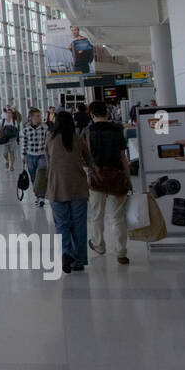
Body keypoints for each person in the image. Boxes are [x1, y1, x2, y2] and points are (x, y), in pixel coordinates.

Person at [46, 110, 93, 273]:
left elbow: (48, 161)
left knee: (61, 224)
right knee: (79, 225)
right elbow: (89, 161)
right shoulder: (78, 140)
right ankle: (79, 260)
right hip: (78, 188)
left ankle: (66, 253)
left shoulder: (50, 140)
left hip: (57, 188)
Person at [86, 100, 132, 265]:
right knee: (118, 216)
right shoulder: (117, 130)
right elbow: (123, 157)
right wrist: (128, 178)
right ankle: (121, 252)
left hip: (97, 179)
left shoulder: (88, 132)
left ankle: (99, 245)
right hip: (116, 176)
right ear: (106, 113)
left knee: (97, 215)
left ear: (92, 114)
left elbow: (87, 158)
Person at [21, 108, 48, 207]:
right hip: (30, 155)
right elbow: (24, 143)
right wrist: (23, 156)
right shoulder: (26, 129)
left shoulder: (45, 127)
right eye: (37, 116)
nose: (39, 118)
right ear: (30, 118)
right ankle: (38, 196)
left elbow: (48, 141)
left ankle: (41, 196)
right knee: (33, 177)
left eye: (39, 116)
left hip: (42, 155)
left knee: (41, 174)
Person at [0, 107, 19, 172]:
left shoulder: (14, 121)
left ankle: (12, 166)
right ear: (6, 114)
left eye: (10, 113)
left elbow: (16, 129)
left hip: (12, 139)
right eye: (8, 113)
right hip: (5, 140)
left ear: (12, 114)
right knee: (5, 153)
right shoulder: (2, 121)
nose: (9, 114)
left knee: (12, 152)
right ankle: (7, 160)